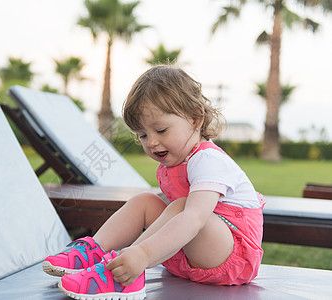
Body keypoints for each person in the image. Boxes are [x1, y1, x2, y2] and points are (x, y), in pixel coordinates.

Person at [42, 65, 266, 300]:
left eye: (161, 130)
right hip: (187, 253)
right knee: (145, 201)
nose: (151, 142)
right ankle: (93, 251)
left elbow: (195, 218)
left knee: (184, 207)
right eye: (143, 135)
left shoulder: (207, 159)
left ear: (195, 118)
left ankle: (127, 269)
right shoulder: (172, 164)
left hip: (231, 257)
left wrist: (142, 254)